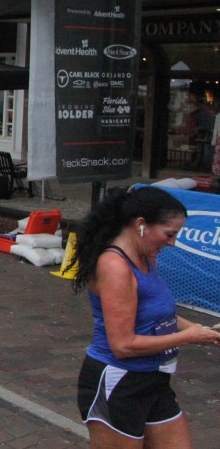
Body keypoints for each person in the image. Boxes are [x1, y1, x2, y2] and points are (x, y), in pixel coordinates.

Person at [69, 186, 220, 447]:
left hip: (154, 379)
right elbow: (123, 345)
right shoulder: (115, 266)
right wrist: (188, 337)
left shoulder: (147, 257)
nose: (172, 243)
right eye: (169, 234)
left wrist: (202, 330)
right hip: (119, 383)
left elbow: (159, 315)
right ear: (141, 225)